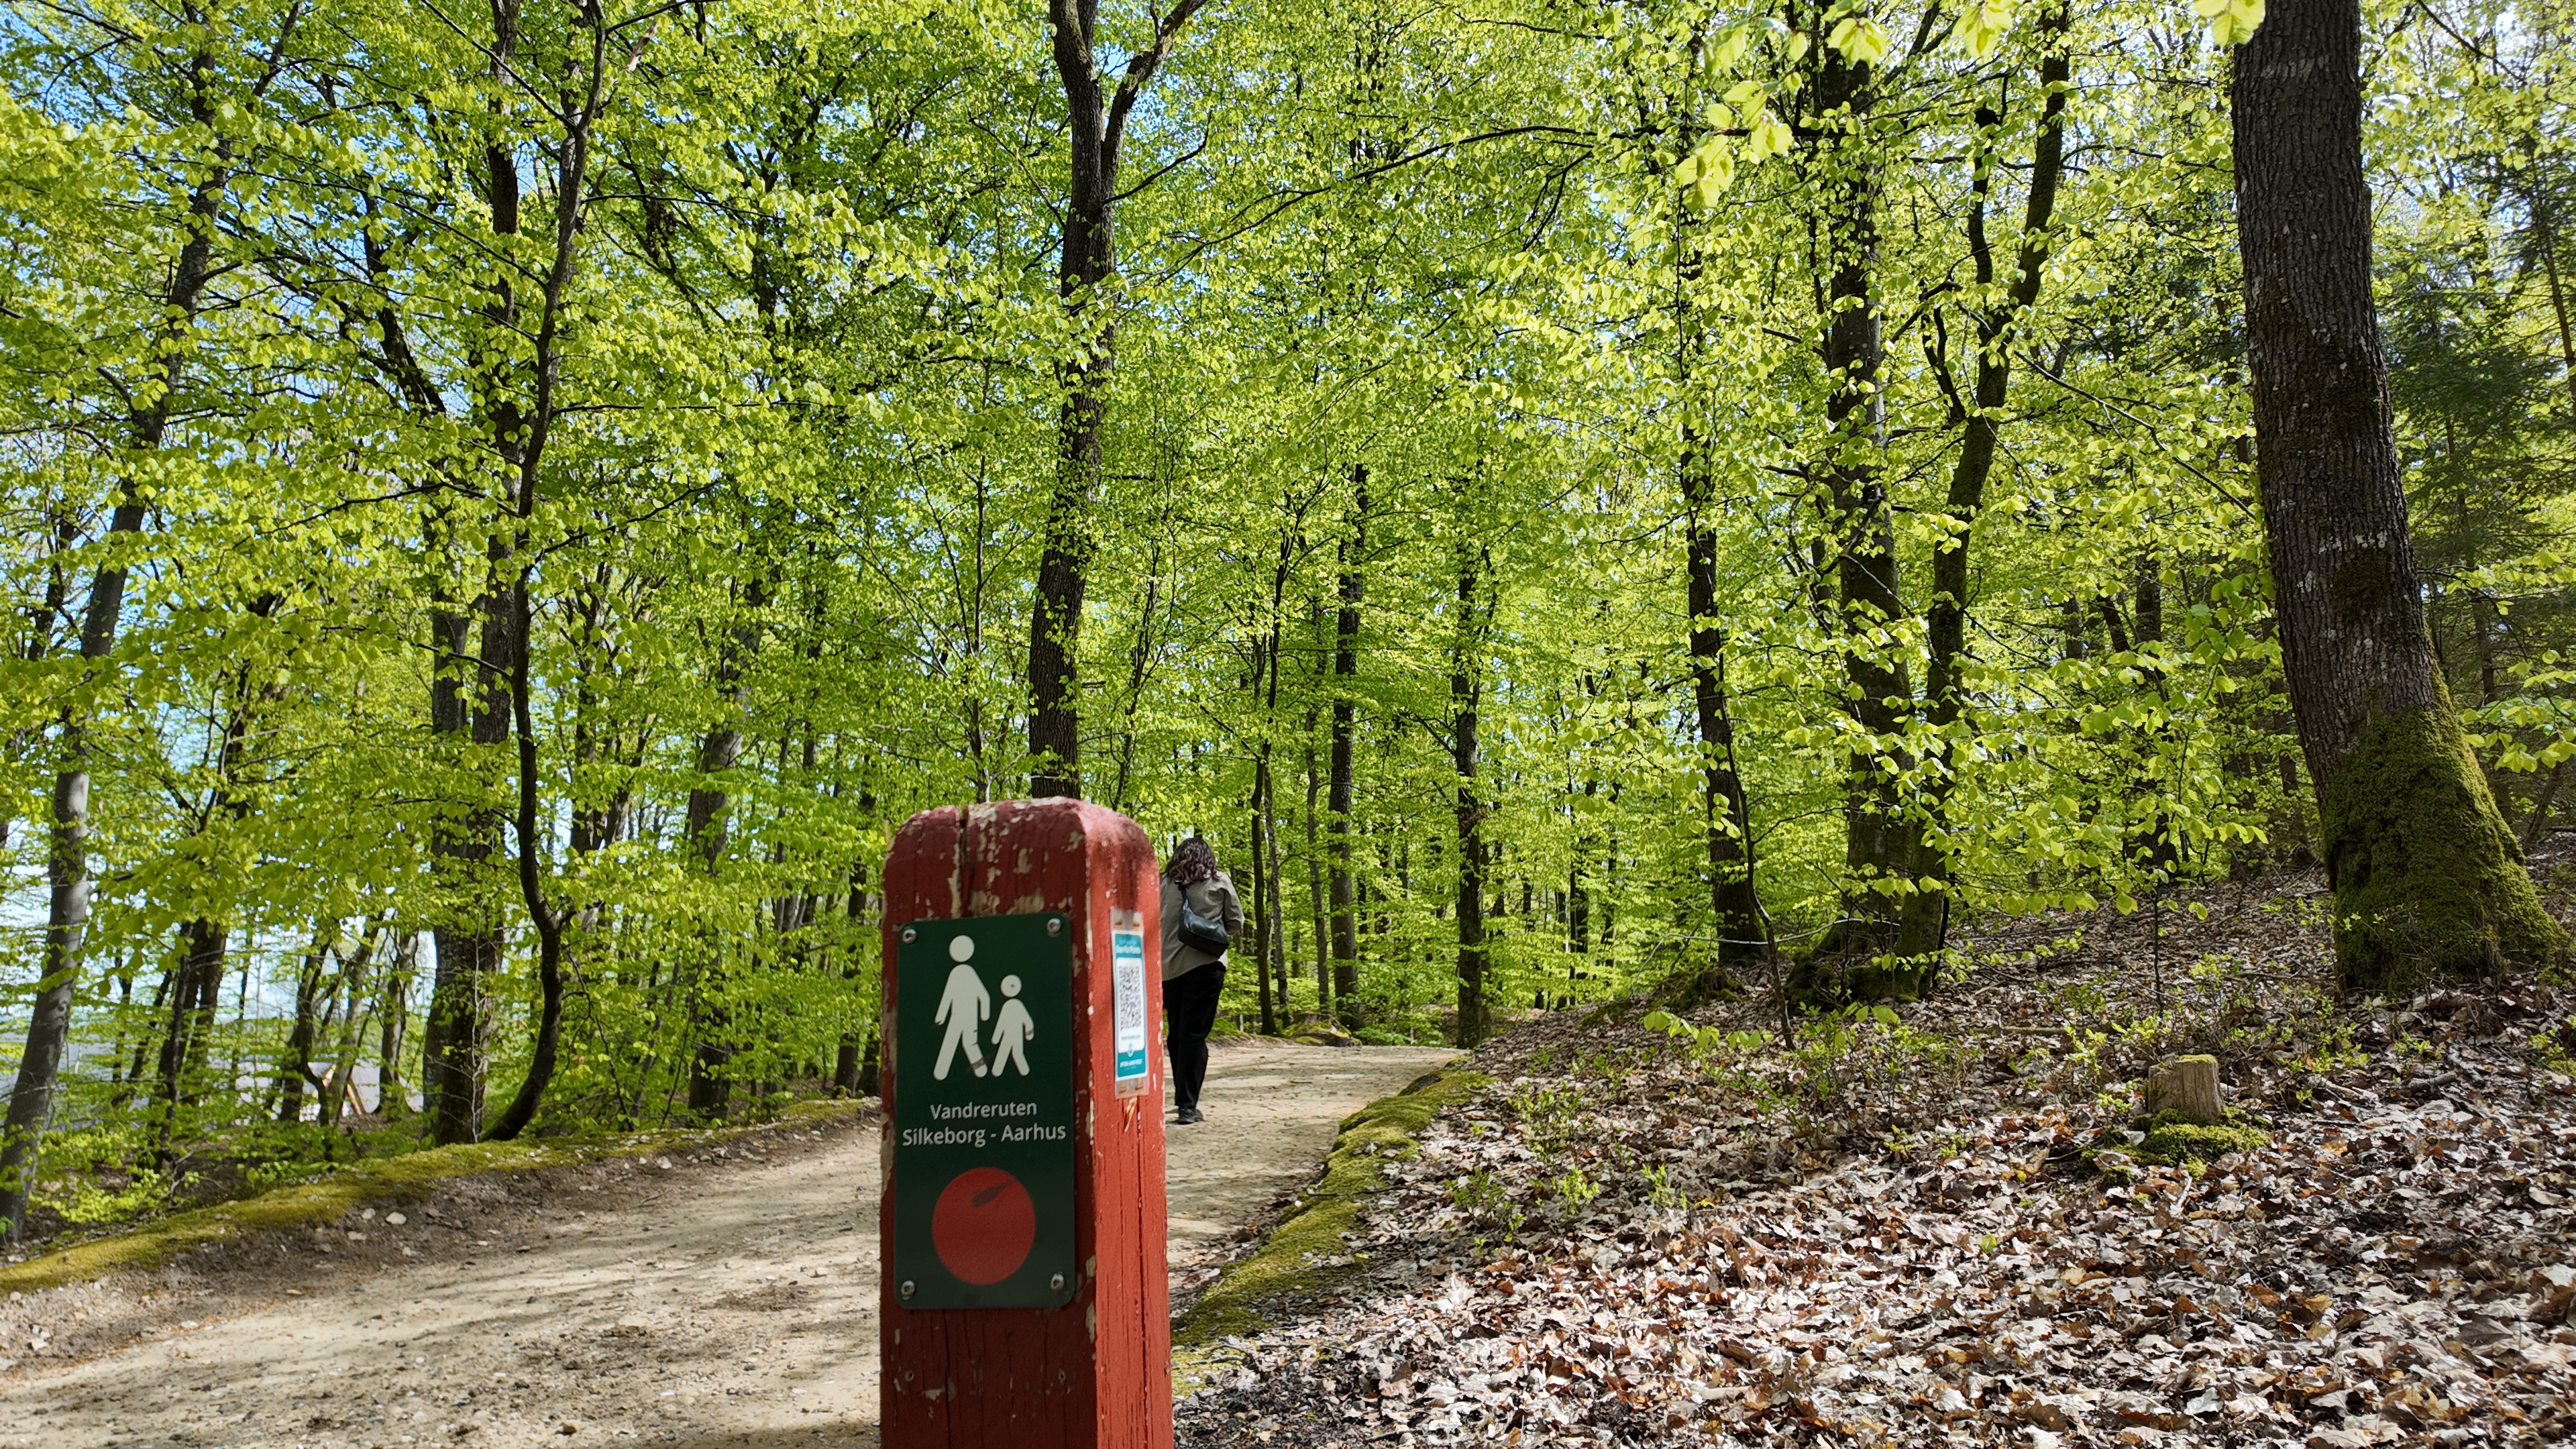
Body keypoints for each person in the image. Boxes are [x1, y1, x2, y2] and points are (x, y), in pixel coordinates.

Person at [1159, 836, 1242, 1126]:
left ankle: (1182, 1098)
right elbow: (1236, 923)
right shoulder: (1218, 881)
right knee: (1194, 1034)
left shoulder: (1162, 883)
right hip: (1206, 965)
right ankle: (1187, 1105)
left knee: (1177, 1032)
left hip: (1168, 969)